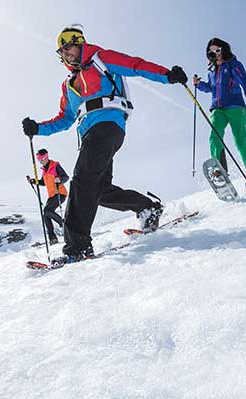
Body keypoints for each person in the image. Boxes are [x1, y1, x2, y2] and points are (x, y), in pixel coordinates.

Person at [22, 25, 187, 263]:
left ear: (79, 43)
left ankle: (76, 247)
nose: (66, 54)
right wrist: (38, 127)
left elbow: (135, 65)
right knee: (98, 190)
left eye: (68, 47)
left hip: (109, 125)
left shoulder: (101, 58)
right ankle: (147, 207)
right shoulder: (69, 83)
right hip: (89, 133)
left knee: (82, 180)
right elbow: (65, 118)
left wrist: (167, 75)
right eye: (61, 51)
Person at [193, 37, 246, 187]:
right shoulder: (212, 70)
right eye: (211, 51)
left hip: (235, 107)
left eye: (218, 50)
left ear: (223, 50)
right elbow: (211, 88)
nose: (215, 53)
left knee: (240, 141)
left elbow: (242, 78)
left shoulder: (233, 63)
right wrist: (199, 84)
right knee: (214, 137)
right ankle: (220, 173)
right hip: (217, 109)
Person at [27, 149, 69, 245]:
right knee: (45, 214)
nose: (41, 161)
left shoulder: (55, 166)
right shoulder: (44, 170)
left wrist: (60, 179)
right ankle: (52, 238)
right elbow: (43, 182)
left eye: (42, 159)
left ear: (46, 157)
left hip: (60, 193)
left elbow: (65, 177)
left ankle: (63, 223)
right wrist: (34, 181)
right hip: (52, 195)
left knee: (47, 211)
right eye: (39, 159)